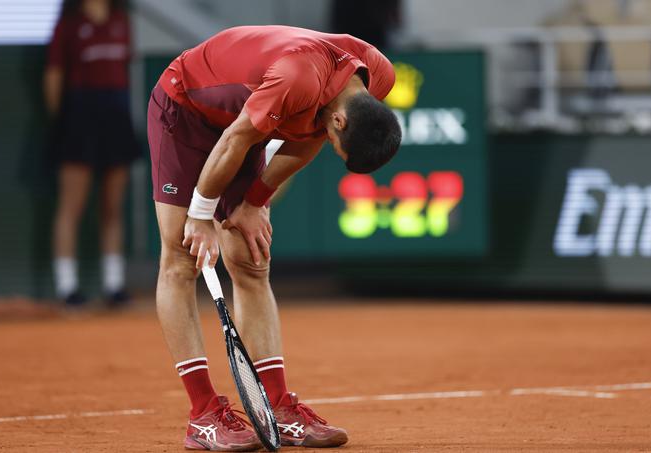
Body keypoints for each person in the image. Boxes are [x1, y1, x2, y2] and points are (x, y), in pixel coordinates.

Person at [147, 25, 401, 451]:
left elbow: (310, 141)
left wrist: (253, 202)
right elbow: (235, 140)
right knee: (180, 258)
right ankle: (204, 416)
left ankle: (278, 409)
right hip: (187, 110)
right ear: (342, 119)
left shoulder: (376, 78)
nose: (333, 146)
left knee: (250, 259)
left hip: (247, 120)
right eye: (343, 147)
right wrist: (201, 214)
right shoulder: (298, 79)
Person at [44, 0, 139, 307]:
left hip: (116, 114)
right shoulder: (68, 24)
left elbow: (125, 68)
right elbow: (54, 75)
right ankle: (67, 287)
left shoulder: (121, 20)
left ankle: (114, 285)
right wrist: (63, 123)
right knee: (72, 205)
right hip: (79, 116)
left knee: (112, 206)